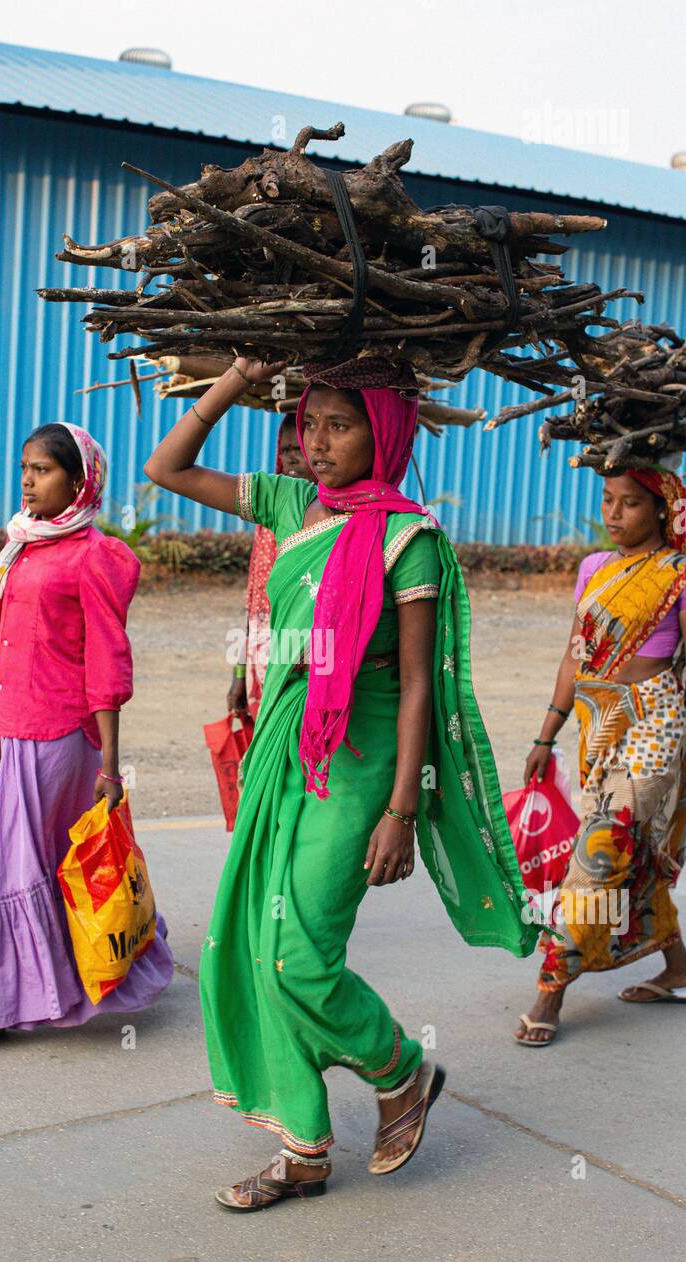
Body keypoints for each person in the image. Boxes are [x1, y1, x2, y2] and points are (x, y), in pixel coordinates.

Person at [145, 355, 536, 1210]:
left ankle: (400, 1068)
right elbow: (164, 468)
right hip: (285, 748)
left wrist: (404, 807)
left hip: (360, 763)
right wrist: (236, 379)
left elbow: (420, 686)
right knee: (257, 940)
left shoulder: (410, 537)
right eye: (308, 424)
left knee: (298, 950)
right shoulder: (291, 506)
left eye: (339, 425)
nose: (316, 444)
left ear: (383, 432)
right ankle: (304, 1150)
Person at [0, 422, 174, 1055]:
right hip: (17, 728)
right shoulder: (23, 545)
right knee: (50, 865)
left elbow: (106, 662)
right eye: (25, 468)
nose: (29, 480)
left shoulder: (94, 555)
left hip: (63, 736)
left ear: (79, 479)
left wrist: (110, 767)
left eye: (43, 470)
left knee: (6, 870)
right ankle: (82, 974)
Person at [516, 463, 686, 1046]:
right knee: (636, 849)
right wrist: (545, 734)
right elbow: (574, 659)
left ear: (660, 510)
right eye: (606, 500)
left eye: (628, 503)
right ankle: (678, 966)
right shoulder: (593, 570)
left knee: (600, 851)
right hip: (597, 724)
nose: (613, 513)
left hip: (654, 724)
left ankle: (551, 989)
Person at [227, 415, 311, 713]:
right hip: (264, 656)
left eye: (298, 449)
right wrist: (239, 675)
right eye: (285, 450)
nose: (290, 458)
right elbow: (254, 606)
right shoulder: (269, 519)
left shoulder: (331, 521)